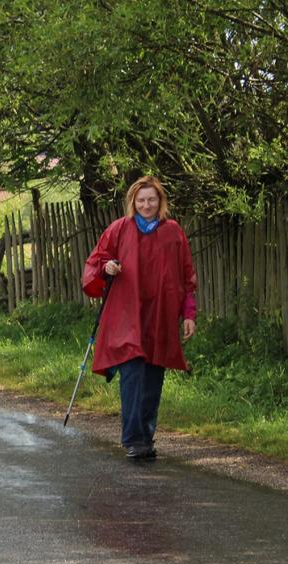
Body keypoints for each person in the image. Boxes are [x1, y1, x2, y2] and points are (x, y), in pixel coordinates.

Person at [82, 176, 196, 460]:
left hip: (160, 316)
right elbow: (97, 262)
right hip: (126, 315)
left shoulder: (173, 232)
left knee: (153, 379)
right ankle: (133, 439)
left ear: (160, 202)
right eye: (141, 200)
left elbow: (186, 276)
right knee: (132, 375)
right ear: (133, 202)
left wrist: (188, 314)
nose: (146, 205)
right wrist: (107, 267)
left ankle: (146, 437)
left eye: (152, 199)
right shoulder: (119, 229)